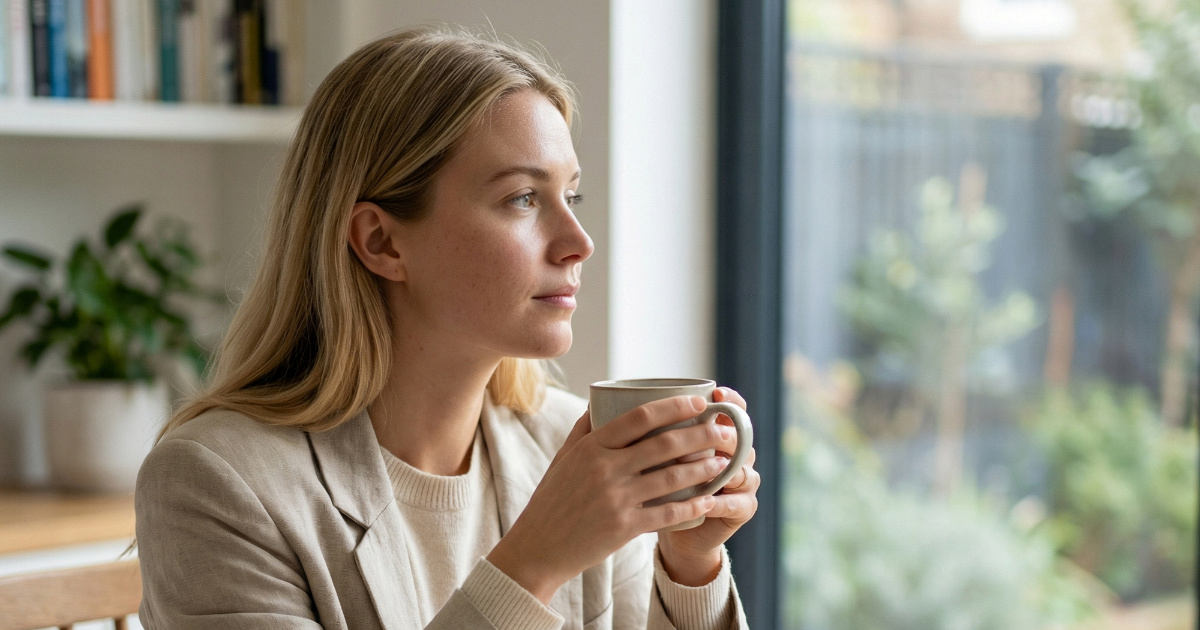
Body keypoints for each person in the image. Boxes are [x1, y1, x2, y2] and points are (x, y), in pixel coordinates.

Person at [135, 26, 760, 630]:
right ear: (381, 242)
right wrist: (533, 564)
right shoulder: (216, 480)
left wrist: (690, 566)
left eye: (571, 196)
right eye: (522, 198)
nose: (578, 243)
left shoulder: (567, 449)